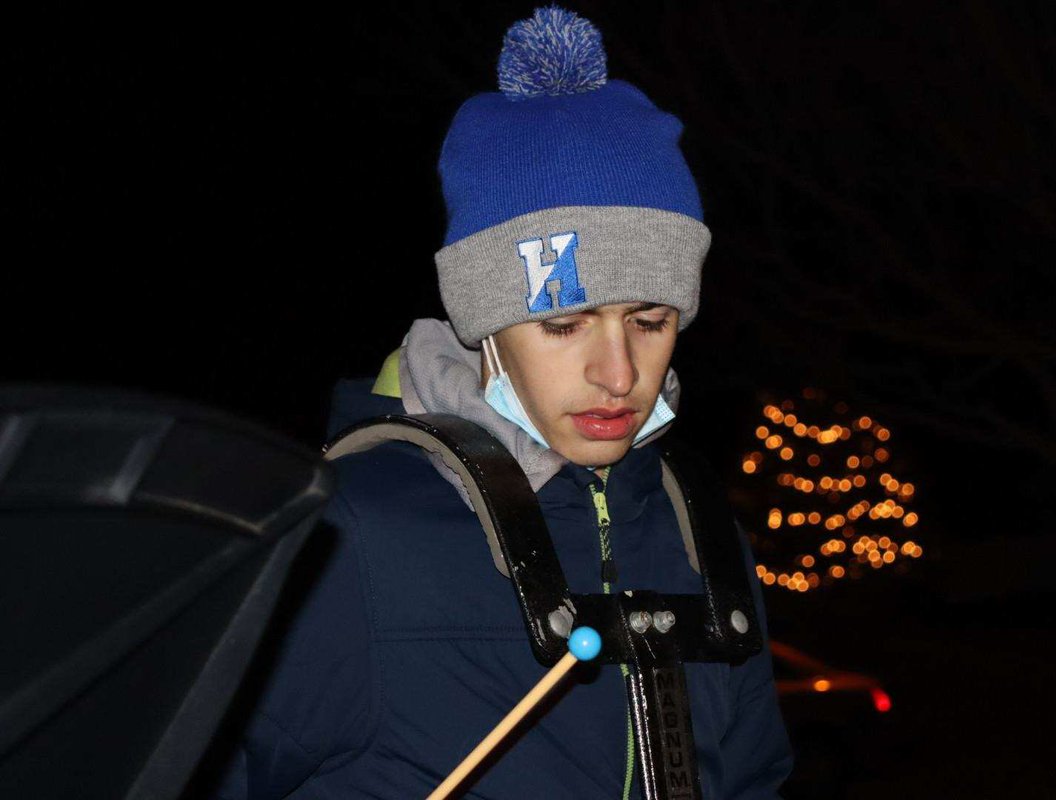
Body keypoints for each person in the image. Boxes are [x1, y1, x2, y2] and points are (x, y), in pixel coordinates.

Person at [210, 7, 791, 798]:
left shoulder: (703, 534)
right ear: (486, 326)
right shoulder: (345, 535)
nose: (618, 374)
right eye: (564, 323)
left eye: (650, 321)